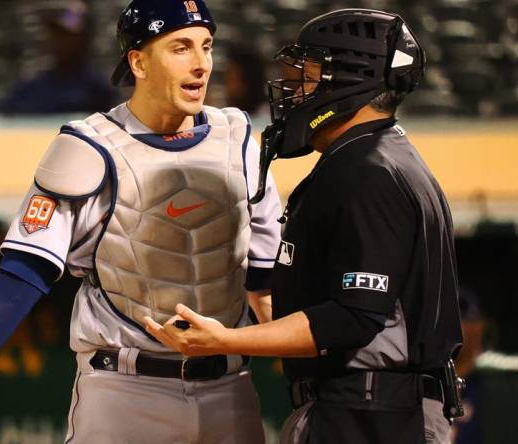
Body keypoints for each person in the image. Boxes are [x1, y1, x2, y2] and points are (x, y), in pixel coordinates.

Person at [0, 1, 281, 443]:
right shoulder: (89, 149)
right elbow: (19, 279)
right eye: (180, 48)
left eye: (206, 46)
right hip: (125, 392)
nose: (201, 64)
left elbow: (266, 286)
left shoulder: (241, 140)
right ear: (138, 61)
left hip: (229, 389)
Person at [145, 9, 464, 444]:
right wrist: (260, 302)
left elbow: (354, 317)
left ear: (349, 78)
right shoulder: (379, 155)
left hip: (372, 416)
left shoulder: (366, 170)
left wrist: (226, 339)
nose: (294, 91)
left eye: (308, 75)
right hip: (370, 409)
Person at [0, 1, 119, 115]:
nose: (56, 40)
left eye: (65, 35)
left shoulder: (98, 90)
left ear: (85, 39)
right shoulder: (32, 85)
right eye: (55, 33)